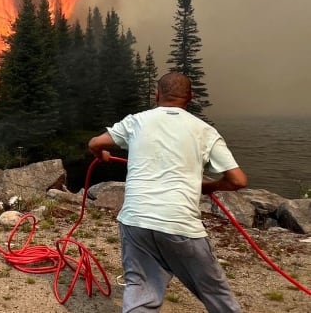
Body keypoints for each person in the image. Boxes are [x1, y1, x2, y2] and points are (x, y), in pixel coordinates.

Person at [88, 72, 248, 313]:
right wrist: (210, 187)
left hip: (135, 221)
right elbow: (238, 180)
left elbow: (95, 143)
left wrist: (102, 156)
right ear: (190, 98)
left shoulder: (137, 121)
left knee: (141, 291)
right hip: (180, 225)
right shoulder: (204, 131)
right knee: (216, 295)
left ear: (157, 95)